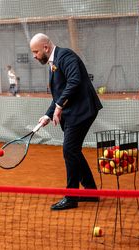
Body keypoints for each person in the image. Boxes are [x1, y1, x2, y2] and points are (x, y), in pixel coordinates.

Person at [30, 33, 103, 210]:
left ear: (46, 48)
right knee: (74, 150)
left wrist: (60, 106)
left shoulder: (66, 56)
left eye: (36, 51)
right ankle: (91, 192)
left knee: (69, 150)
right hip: (74, 112)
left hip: (83, 110)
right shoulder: (53, 62)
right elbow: (59, 94)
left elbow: (74, 81)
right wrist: (48, 115)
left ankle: (71, 197)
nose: (34, 56)